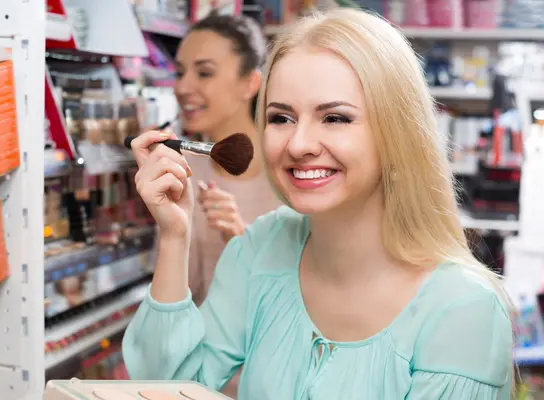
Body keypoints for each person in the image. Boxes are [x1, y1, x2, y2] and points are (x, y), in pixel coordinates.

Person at [123, 8, 513, 399]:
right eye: (281, 118)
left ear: (397, 132)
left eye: (335, 118)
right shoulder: (262, 248)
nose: (298, 144)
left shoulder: (462, 310)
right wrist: (175, 235)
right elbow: (170, 386)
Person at [172, 12, 282, 308]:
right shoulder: (186, 168)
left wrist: (240, 238)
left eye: (204, 73)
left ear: (250, 83)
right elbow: (183, 294)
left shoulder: (291, 166)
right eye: (180, 72)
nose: (183, 88)